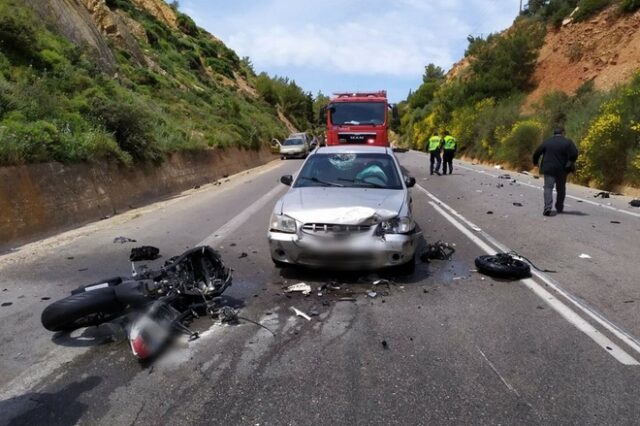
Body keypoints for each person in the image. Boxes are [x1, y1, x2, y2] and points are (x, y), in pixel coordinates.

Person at [532, 127, 579, 216]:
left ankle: (547, 207)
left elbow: (537, 153)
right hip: (562, 169)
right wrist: (570, 162)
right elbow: (574, 154)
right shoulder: (568, 142)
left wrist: (535, 163)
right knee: (561, 188)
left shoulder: (548, 141)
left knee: (548, 188)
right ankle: (559, 206)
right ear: (563, 133)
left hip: (548, 169)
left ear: (554, 133)